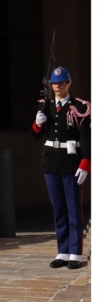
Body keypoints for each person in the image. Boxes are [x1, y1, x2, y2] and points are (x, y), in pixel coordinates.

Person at [32, 67, 91, 269]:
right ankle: (63, 251)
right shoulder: (45, 105)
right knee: (58, 209)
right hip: (50, 161)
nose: (58, 86)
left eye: (62, 82)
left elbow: (88, 137)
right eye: (55, 83)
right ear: (51, 86)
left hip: (71, 161)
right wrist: (37, 125)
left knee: (73, 208)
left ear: (69, 84)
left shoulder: (80, 107)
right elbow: (36, 135)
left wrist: (86, 162)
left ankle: (75, 253)